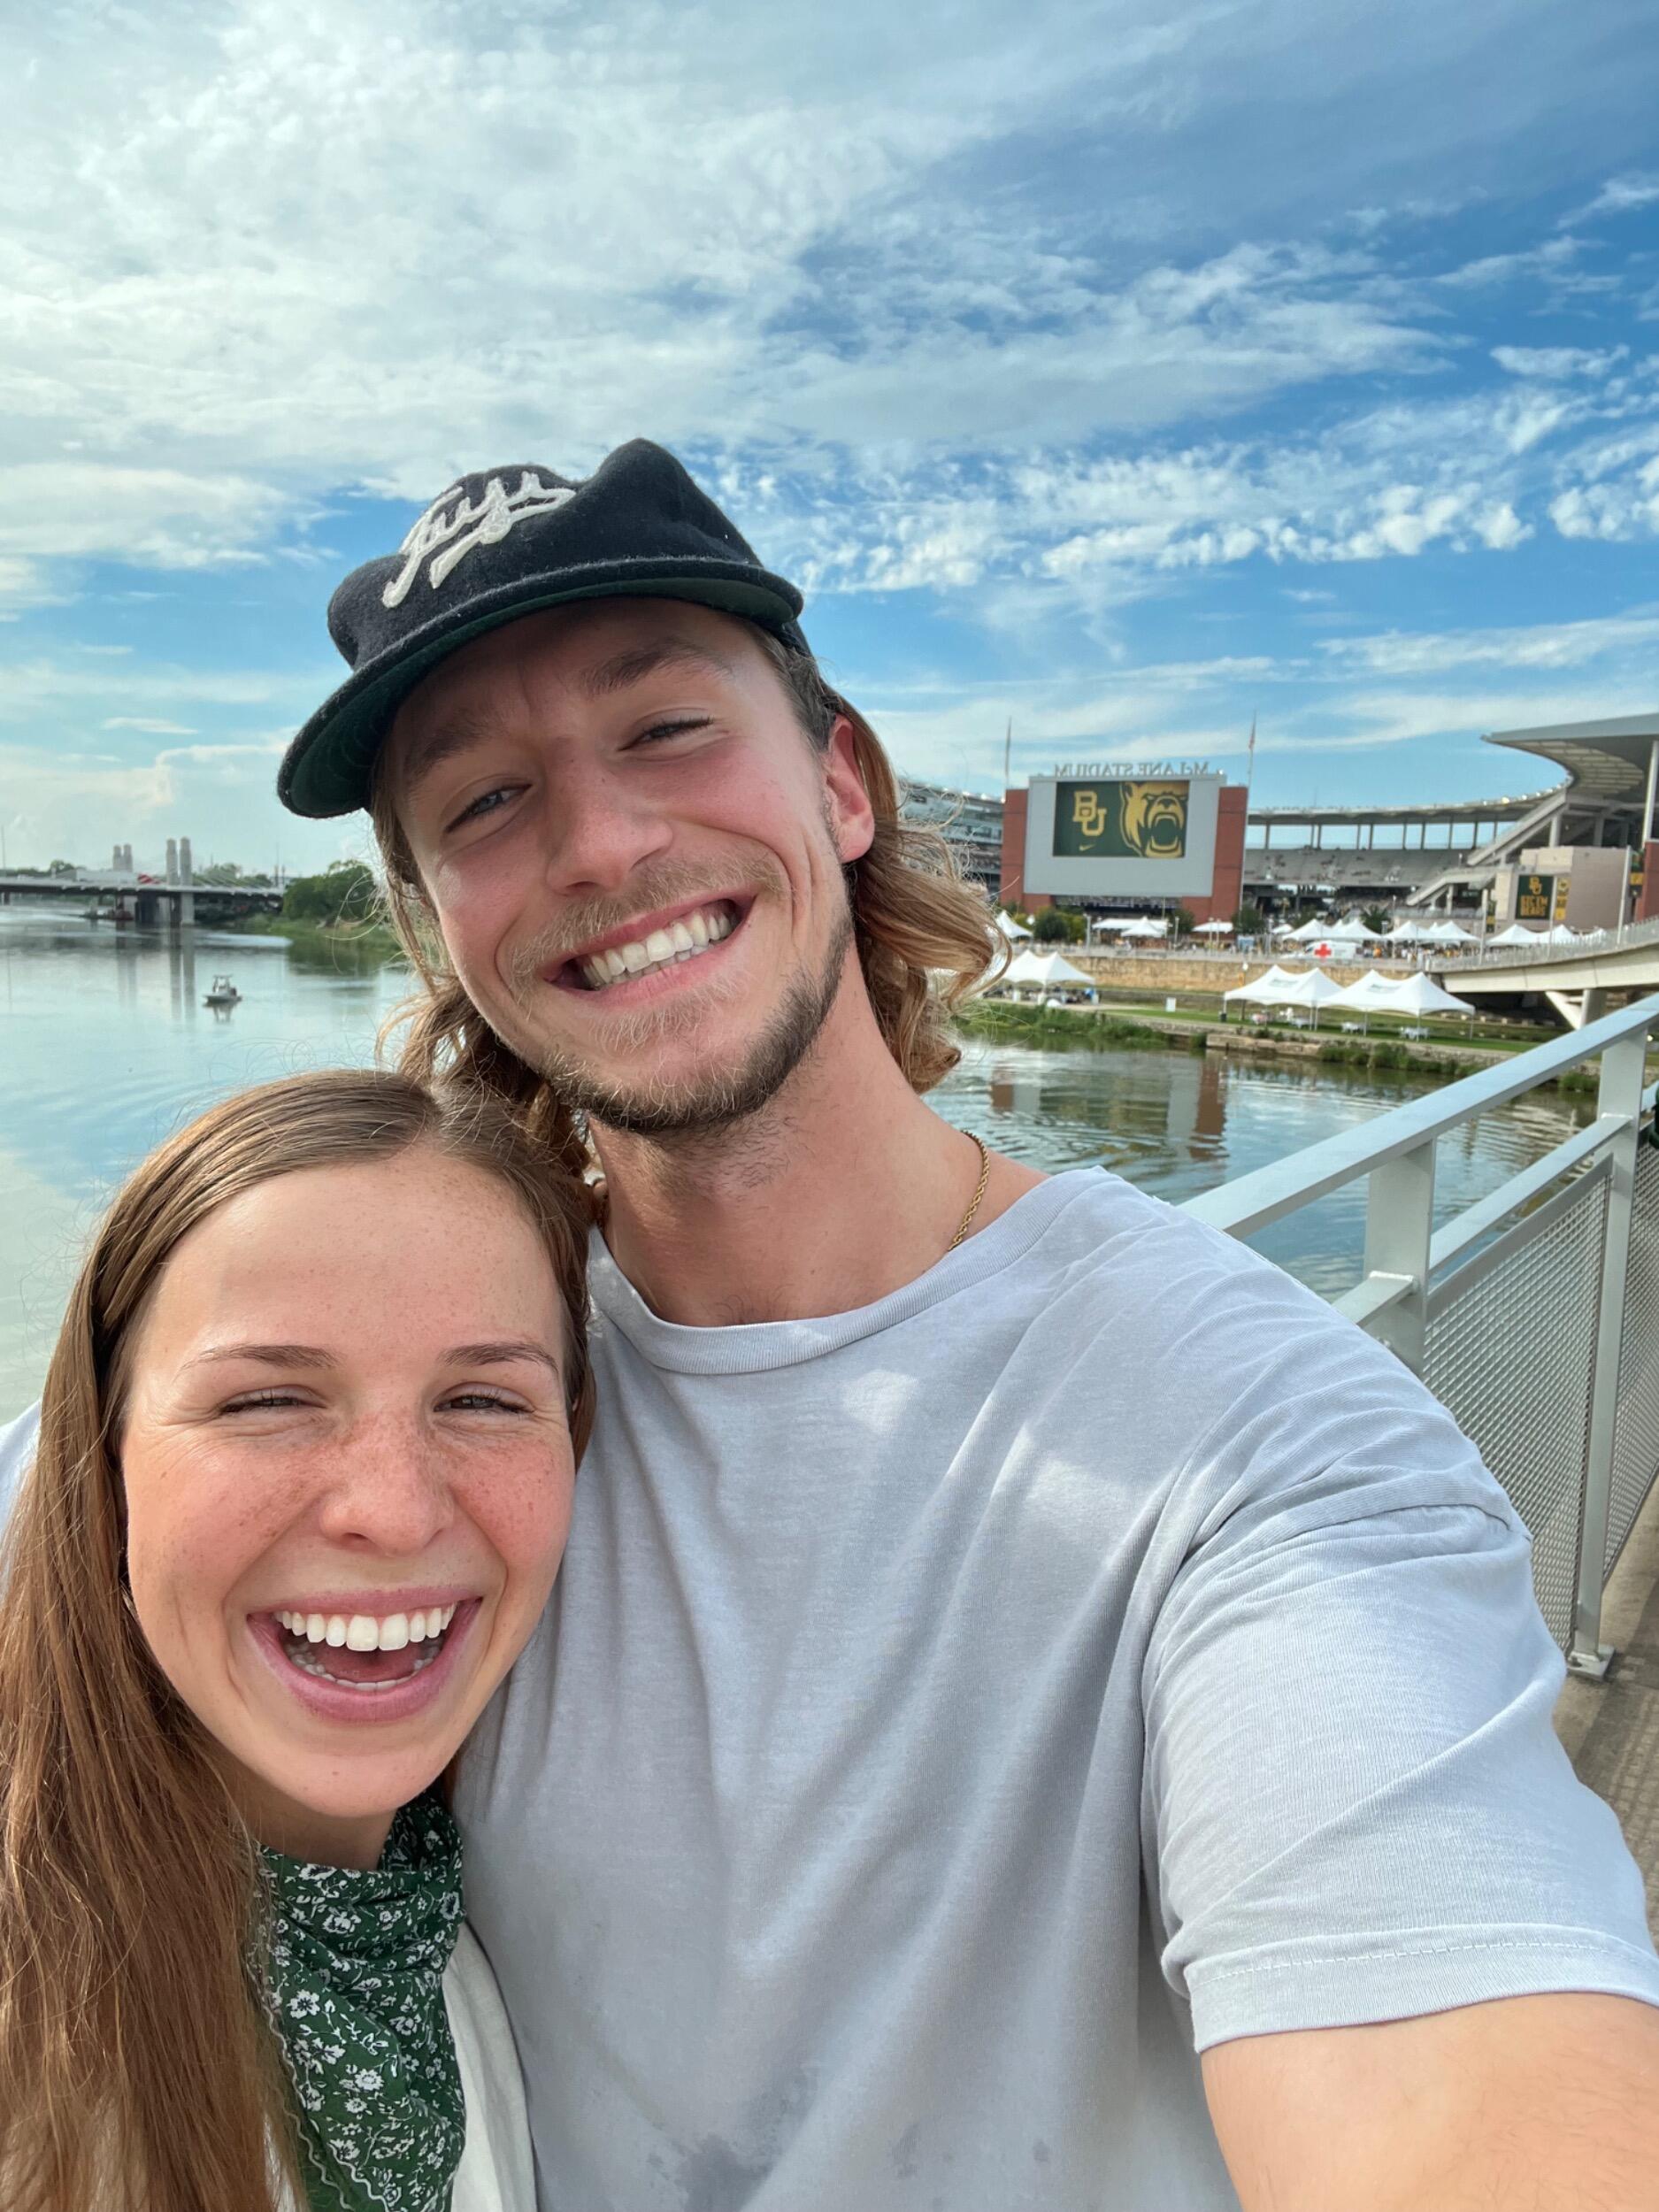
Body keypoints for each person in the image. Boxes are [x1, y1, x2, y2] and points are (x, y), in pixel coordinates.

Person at [5, 441, 1659, 2208]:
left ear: (844, 781)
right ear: (431, 921)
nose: (597, 840)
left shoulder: (1253, 1445)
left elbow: (1449, 2036)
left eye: (664, 730)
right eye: (481, 798)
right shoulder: (437, 1379)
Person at [0, 1071, 595, 2212]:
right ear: (104, 1472)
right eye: (265, 1402)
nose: (397, 1509)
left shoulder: (425, 1940)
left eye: (482, 1401)